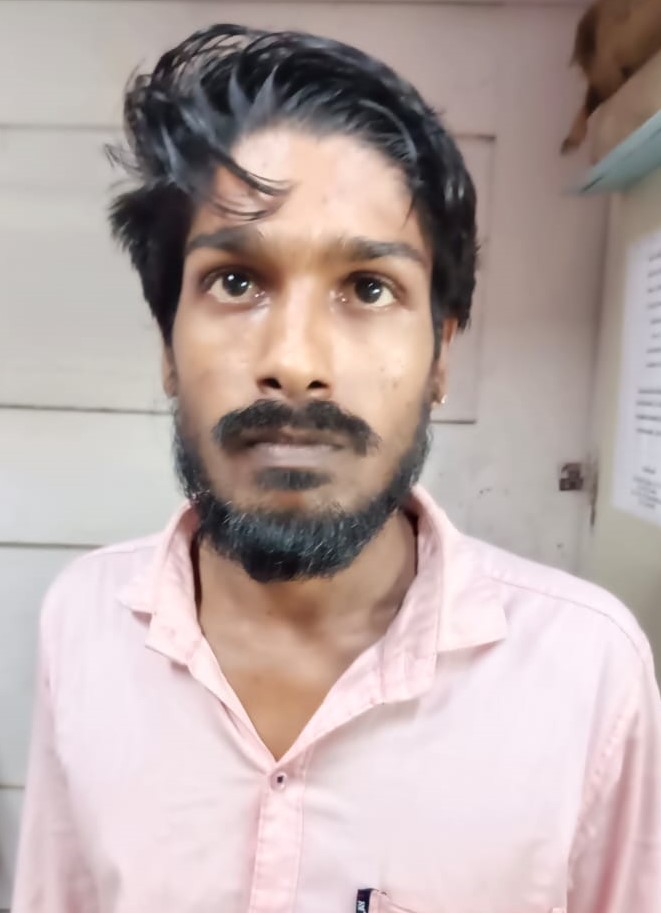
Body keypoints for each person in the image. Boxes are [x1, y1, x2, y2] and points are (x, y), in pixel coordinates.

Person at [12, 23, 661, 913]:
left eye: (367, 287)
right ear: (167, 346)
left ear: (440, 355)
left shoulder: (587, 673)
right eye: (235, 281)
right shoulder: (83, 624)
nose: (294, 362)